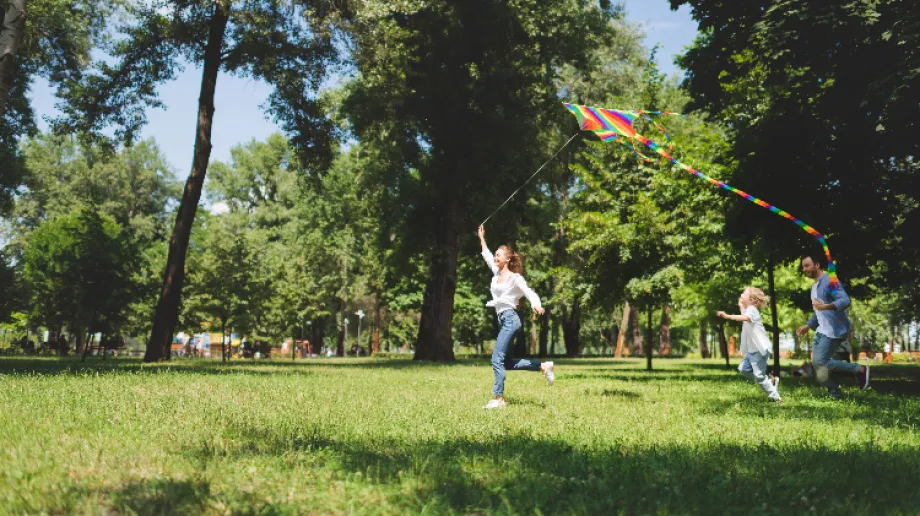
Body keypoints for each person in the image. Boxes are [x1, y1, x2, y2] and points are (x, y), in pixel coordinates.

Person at [478, 225, 554, 409]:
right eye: (496, 255)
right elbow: (486, 256)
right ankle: (543, 366)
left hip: (511, 320)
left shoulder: (515, 278)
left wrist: (537, 304)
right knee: (508, 362)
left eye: (499, 255)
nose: (495, 257)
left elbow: (529, 292)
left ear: (508, 258)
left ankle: (498, 399)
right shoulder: (496, 274)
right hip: (503, 319)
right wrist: (481, 238)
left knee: (496, 359)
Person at [795, 254, 869, 399]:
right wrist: (808, 326)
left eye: (807, 266)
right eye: (803, 266)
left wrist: (827, 306)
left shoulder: (830, 281)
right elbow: (819, 311)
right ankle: (836, 394)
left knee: (820, 363)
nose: (804, 269)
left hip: (833, 331)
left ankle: (859, 369)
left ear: (817, 265)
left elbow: (845, 300)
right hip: (822, 331)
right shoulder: (814, 286)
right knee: (818, 367)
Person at [718, 287, 782, 403]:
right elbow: (745, 318)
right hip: (753, 350)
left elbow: (745, 318)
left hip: (759, 349)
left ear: (752, 299)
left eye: (744, 293)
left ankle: (775, 397)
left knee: (758, 376)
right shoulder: (749, 309)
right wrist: (741, 307)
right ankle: (770, 381)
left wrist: (728, 316)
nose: (741, 294)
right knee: (743, 369)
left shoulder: (752, 310)